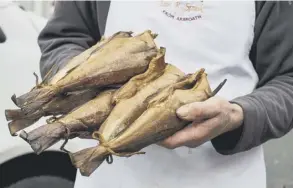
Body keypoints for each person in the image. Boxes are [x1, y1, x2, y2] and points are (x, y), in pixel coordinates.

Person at [37, 1, 293, 188]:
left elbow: (288, 80)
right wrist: (78, 79)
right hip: (112, 179)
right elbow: (64, 37)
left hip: (223, 178)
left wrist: (239, 115)